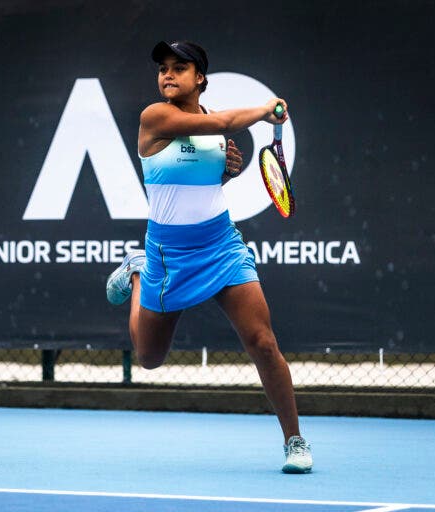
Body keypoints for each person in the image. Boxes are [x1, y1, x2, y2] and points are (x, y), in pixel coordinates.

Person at [106, 40, 312, 474]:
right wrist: (263, 111)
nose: (167, 74)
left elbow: (203, 178)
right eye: (163, 67)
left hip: (221, 244)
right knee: (148, 358)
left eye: (179, 67)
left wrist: (225, 171)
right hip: (168, 252)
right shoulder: (154, 116)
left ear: (199, 78)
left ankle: (294, 440)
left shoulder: (211, 130)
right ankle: (138, 272)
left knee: (263, 341)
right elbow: (224, 121)